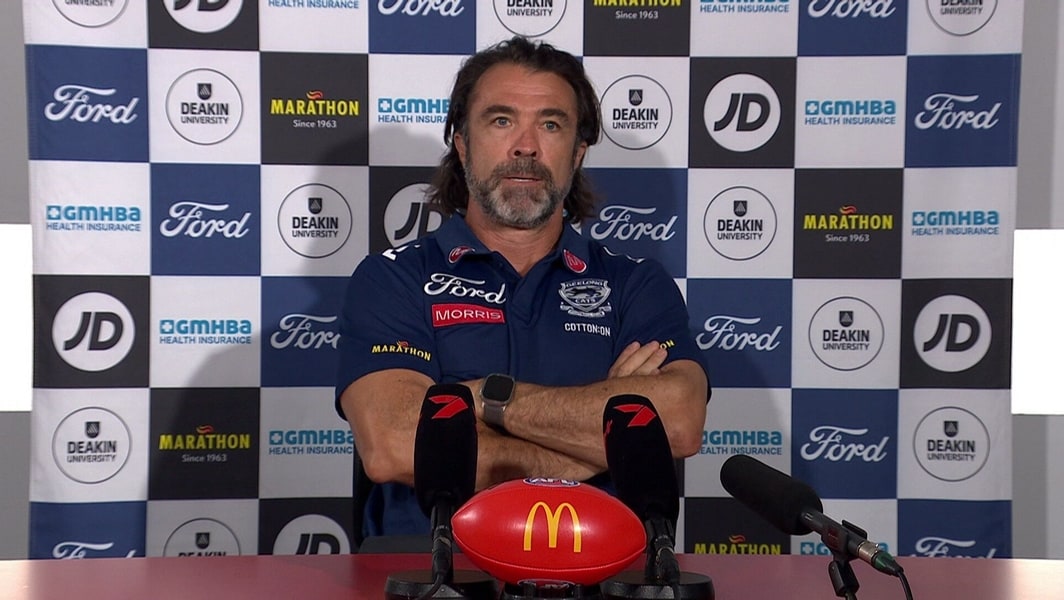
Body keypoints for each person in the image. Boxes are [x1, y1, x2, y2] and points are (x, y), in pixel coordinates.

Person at [335, 36, 710, 538]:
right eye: (501, 120)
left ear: (577, 153)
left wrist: (488, 400)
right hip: (433, 567)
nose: (526, 146)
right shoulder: (394, 278)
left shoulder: (635, 285)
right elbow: (394, 445)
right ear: (462, 144)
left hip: (601, 568)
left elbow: (679, 423)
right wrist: (598, 443)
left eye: (550, 124)